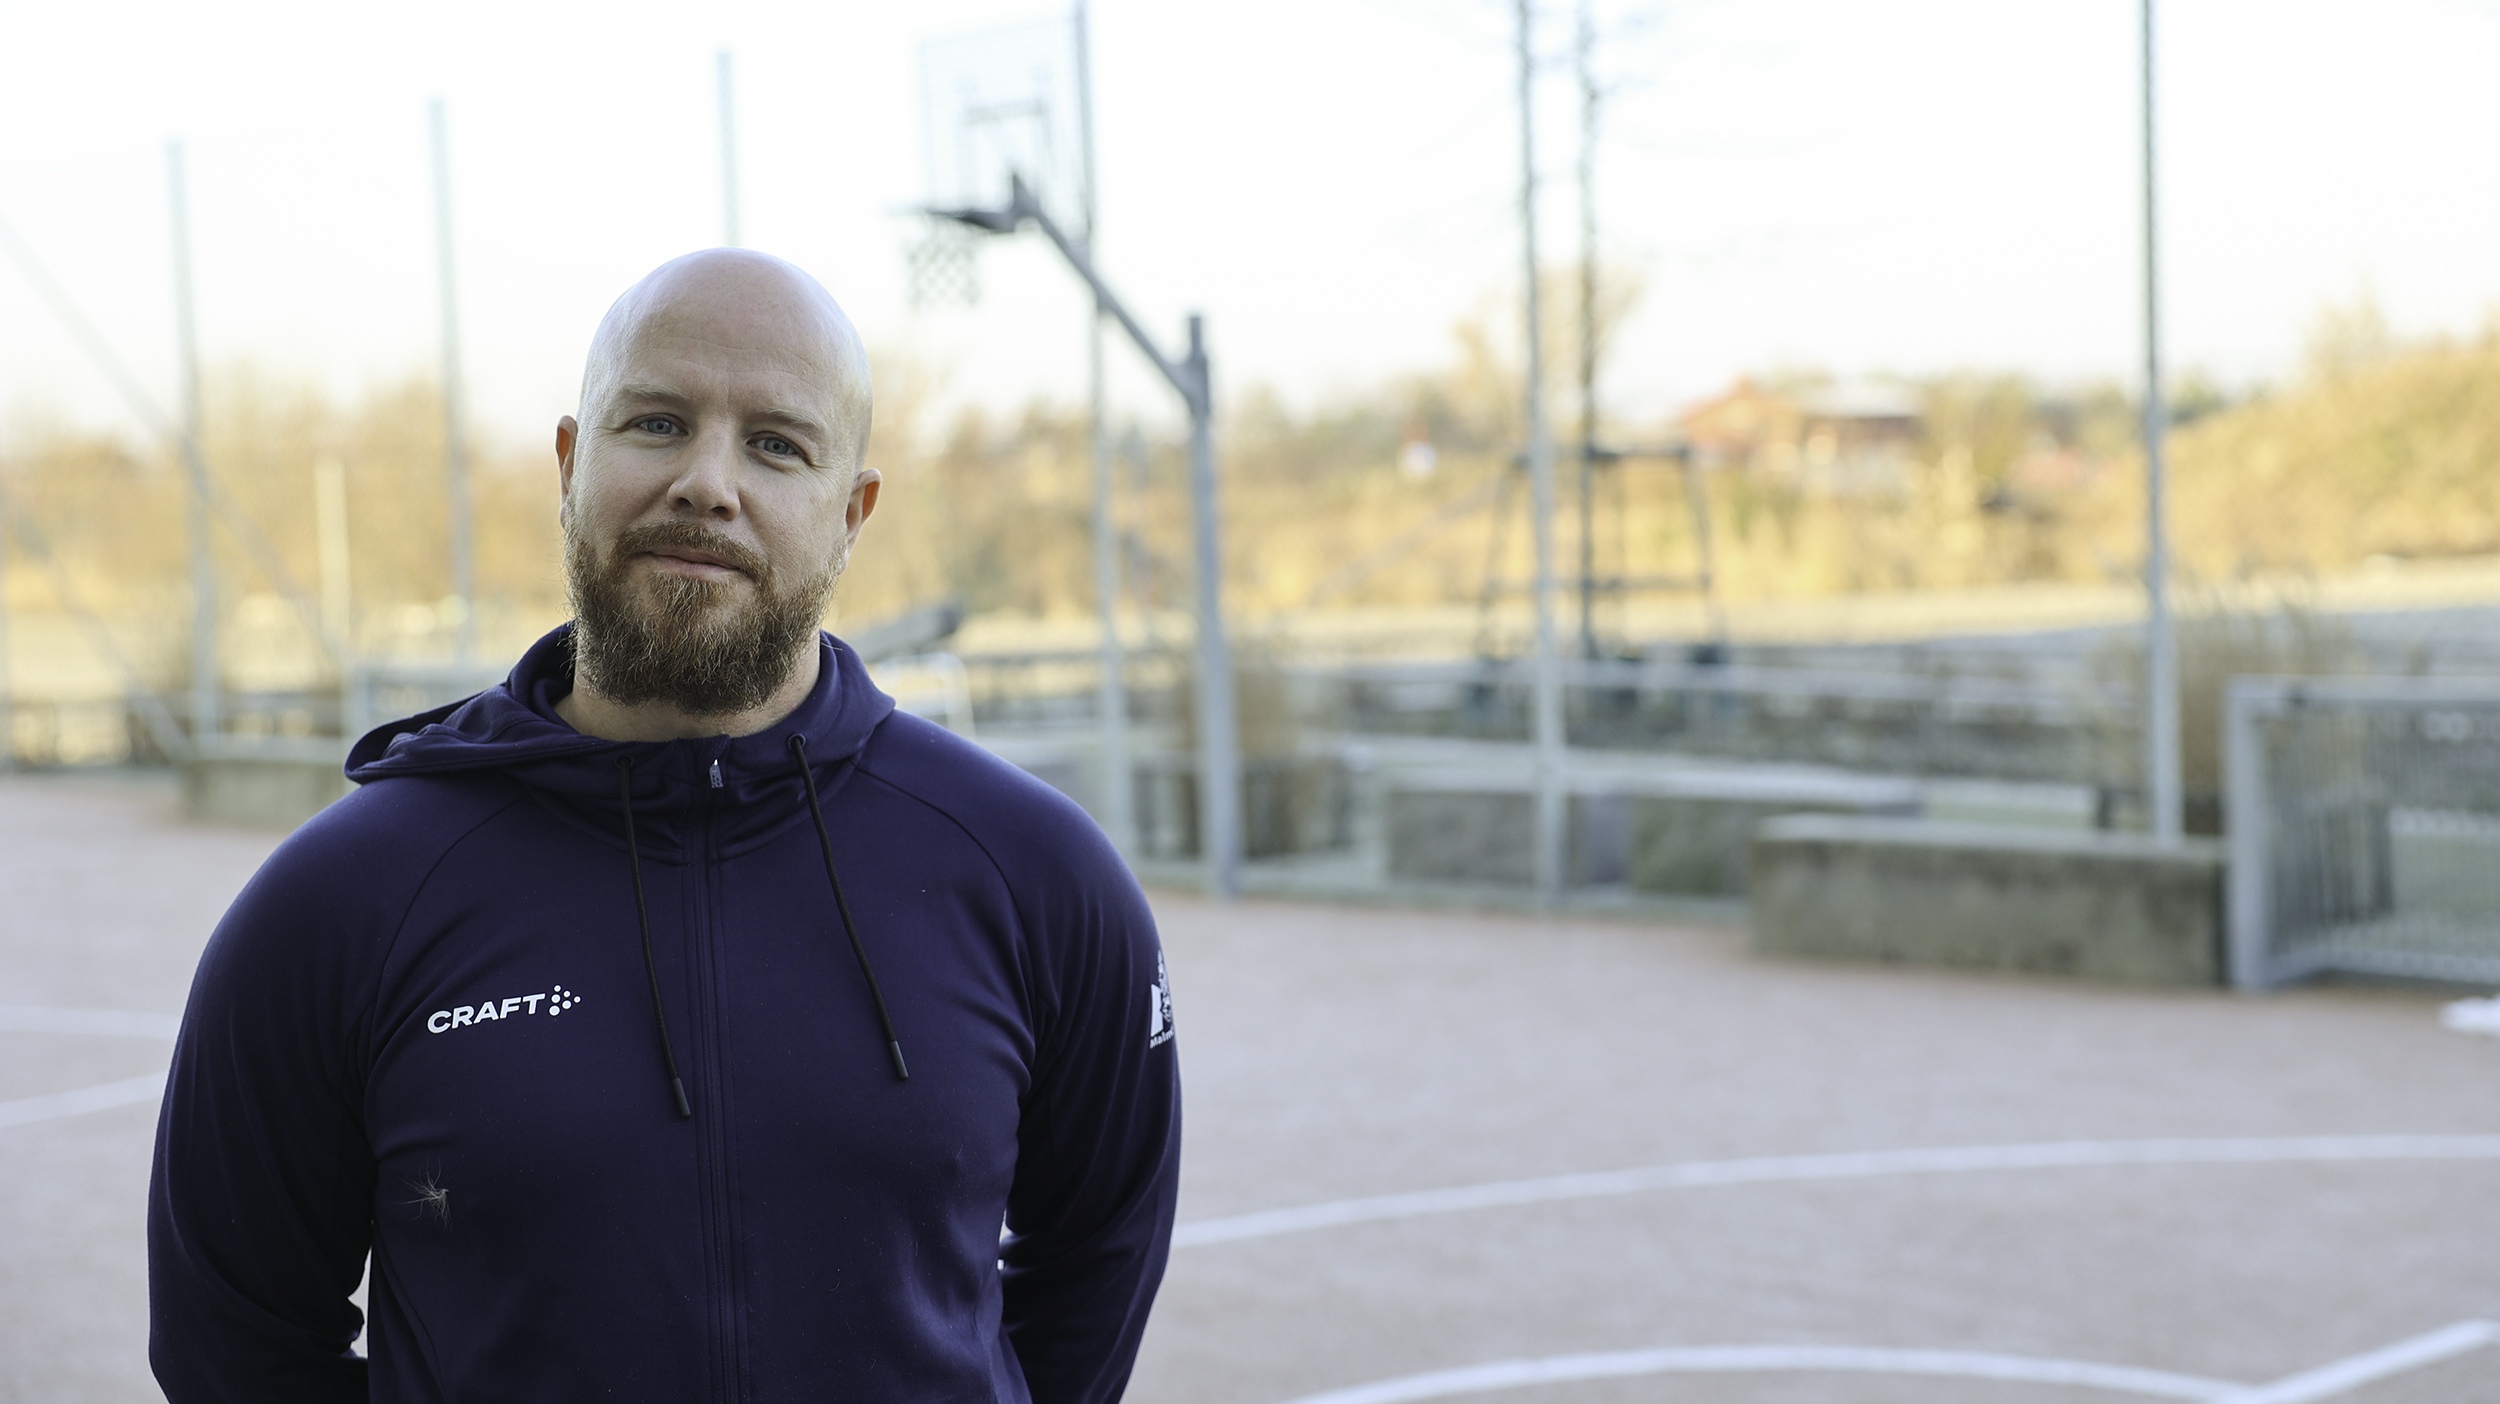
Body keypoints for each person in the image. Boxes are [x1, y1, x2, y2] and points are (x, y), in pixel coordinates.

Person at [148, 249, 1181, 1403]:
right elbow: (230, 1341)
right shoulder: (345, 899)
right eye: (654, 423)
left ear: (852, 514)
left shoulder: (1038, 875)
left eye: (776, 444)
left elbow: (1098, 1259)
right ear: (569, 462)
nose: (707, 482)